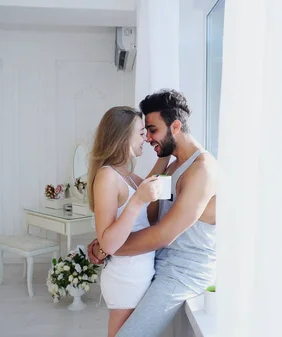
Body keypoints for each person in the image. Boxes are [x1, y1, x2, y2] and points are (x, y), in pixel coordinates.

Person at [88, 89, 217, 337]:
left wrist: (108, 247)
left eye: (152, 129)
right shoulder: (175, 165)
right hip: (159, 263)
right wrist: (107, 241)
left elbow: (162, 234)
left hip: (181, 273)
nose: (147, 137)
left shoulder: (203, 170)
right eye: (143, 131)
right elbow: (149, 212)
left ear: (175, 126)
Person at [87, 106, 170, 337]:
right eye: (141, 132)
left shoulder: (127, 176)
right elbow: (109, 243)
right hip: (125, 280)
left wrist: (165, 154)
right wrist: (136, 203)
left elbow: (150, 209)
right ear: (123, 136)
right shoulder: (107, 176)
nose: (146, 138)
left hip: (137, 275)